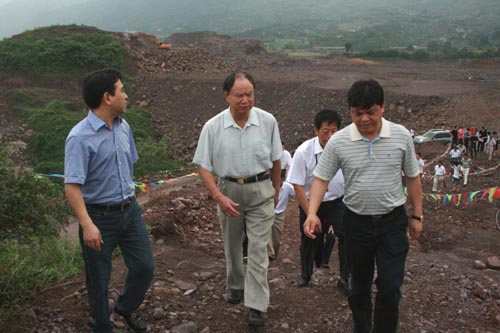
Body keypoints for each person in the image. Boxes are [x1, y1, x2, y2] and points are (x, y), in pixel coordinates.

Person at [302, 80, 423, 333]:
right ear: (350, 111)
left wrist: (417, 216)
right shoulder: (339, 141)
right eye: (358, 113)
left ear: (382, 107)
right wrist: (312, 212)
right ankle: (362, 327)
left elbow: (412, 177)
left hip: (392, 222)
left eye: (371, 111)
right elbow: (321, 179)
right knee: (359, 287)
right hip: (356, 223)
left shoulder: (401, 135)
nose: (365, 119)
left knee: (390, 285)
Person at [64, 69, 154, 333]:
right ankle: (102, 325)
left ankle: (125, 307)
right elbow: (71, 186)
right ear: (107, 97)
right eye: (122, 90)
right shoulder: (79, 137)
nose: (126, 95)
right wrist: (87, 224)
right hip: (99, 217)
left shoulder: (125, 127)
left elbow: (129, 166)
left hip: (129, 210)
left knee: (144, 266)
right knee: (99, 281)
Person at [192, 71, 282, 327]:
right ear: (227, 95)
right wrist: (218, 195)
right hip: (229, 190)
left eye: (250, 94)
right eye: (239, 95)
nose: (245, 100)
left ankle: (255, 304)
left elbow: (276, 160)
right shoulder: (213, 126)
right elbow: (204, 165)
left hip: (260, 189)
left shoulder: (268, 121)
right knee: (232, 243)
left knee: (257, 248)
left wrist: (274, 192)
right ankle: (235, 284)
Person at [287, 109, 348, 292]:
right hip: (310, 202)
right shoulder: (303, 152)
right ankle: (306, 275)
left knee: (346, 236)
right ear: (316, 130)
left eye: (334, 131)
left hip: (337, 201)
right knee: (309, 238)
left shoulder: (344, 149)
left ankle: (346, 277)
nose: (330, 136)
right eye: (325, 131)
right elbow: (297, 184)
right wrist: (309, 213)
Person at [267, 178, 295, 260]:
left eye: (281, 180)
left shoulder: (287, 187)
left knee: (277, 238)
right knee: (266, 232)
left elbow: (298, 193)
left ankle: (273, 252)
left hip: (279, 214)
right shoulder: (267, 185)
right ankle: (269, 252)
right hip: (267, 213)